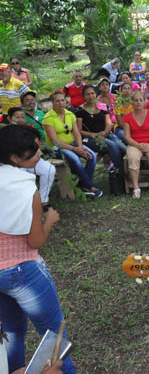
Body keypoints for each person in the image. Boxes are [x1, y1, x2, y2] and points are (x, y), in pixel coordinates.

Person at [0, 125, 76, 374]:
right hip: (23, 270)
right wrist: (50, 221)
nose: (39, 153)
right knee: (54, 335)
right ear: (14, 157)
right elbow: (34, 241)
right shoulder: (26, 188)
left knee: (11, 332)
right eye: (33, 150)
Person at [43, 91, 102, 198]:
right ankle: (90, 186)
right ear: (52, 102)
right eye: (57, 101)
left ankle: (82, 185)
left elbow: (77, 133)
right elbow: (55, 141)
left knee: (92, 155)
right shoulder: (48, 118)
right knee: (75, 159)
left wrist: (80, 147)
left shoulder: (70, 114)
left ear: (66, 101)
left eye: (62, 100)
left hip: (72, 144)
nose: (60, 103)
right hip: (56, 148)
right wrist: (75, 149)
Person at [7, 108, 56, 207]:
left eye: (22, 117)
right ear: (9, 118)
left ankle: (43, 199)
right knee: (22, 176)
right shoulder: (5, 132)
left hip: (32, 159)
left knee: (49, 169)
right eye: (17, 117)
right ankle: (25, 202)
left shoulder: (29, 129)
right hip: (15, 163)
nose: (20, 119)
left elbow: (37, 144)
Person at [75, 85, 124, 173]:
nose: (91, 96)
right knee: (112, 145)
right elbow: (79, 131)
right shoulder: (80, 111)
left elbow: (109, 123)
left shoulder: (101, 106)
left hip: (105, 134)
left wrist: (104, 133)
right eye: (87, 94)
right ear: (83, 96)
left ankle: (131, 166)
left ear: (96, 94)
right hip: (89, 138)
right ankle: (122, 172)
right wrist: (96, 135)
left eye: (92, 93)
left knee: (121, 145)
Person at [122, 90, 149, 198]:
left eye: (141, 100)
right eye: (135, 100)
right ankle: (136, 188)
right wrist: (138, 145)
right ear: (132, 103)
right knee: (133, 158)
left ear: (144, 101)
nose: (138, 102)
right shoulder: (127, 117)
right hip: (134, 144)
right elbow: (127, 137)